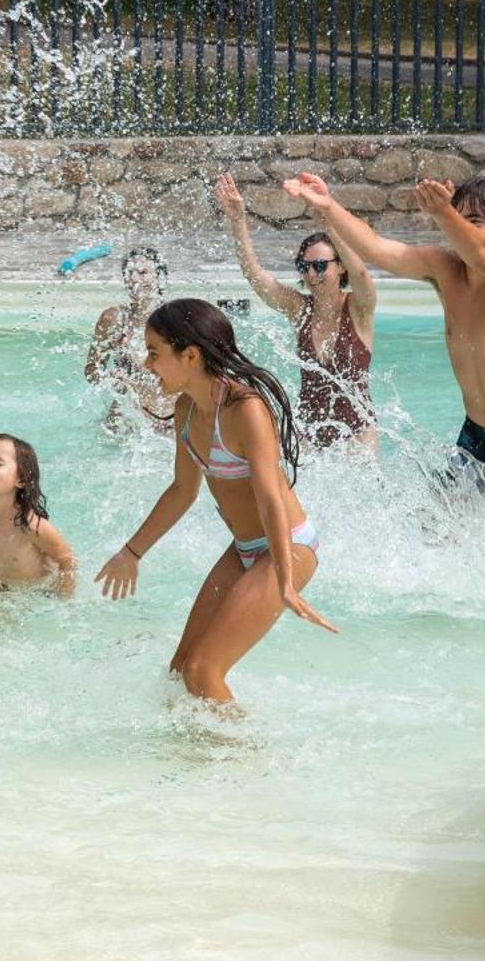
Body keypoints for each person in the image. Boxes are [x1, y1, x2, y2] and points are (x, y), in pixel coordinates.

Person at [284, 172, 485, 535]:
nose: (461, 230)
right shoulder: (445, 270)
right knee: (435, 537)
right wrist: (328, 205)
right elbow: (376, 249)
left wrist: (443, 214)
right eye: (459, 218)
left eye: (475, 222)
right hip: (478, 438)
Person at [95, 299, 337, 705]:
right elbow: (182, 491)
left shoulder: (247, 411)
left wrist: (284, 579)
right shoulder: (188, 409)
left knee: (203, 671)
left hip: (286, 548)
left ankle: (244, 759)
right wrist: (131, 552)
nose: (146, 364)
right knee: (181, 670)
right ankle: (196, 758)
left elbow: (271, 500)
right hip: (245, 549)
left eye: (154, 352)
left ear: (189, 355)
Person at [218, 173, 377, 450]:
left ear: (340, 267)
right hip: (308, 432)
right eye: (305, 267)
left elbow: (361, 272)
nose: (312, 275)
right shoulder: (300, 309)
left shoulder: (359, 308)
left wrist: (329, 221)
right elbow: (255, 276)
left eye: (320, 266)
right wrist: (238, 220)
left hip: (357, 435)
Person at [0, 434, 78, 596]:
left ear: (21, 480)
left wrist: (61, 599)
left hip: (40, 592)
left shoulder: (31, 525)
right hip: (4, 591)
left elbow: (68, 561)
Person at [85, 247, 176, 434]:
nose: (134, 279)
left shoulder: (177, 318)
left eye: (143, 273)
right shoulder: (114, 319)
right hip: (127, 416)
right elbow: (91, 369)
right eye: (130, 273)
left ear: (159, 278)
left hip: (172, 416)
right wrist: (108, 378)